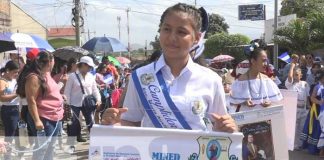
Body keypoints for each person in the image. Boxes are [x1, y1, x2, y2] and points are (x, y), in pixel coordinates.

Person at [101, 3, 237, 132]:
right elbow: (131, 122)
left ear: (197, 37)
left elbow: (220, 127)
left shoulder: (211, 80)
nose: (172, 37)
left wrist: (228, 127)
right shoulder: (139, 77)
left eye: (181, 32)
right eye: (167, 29)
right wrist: (114, 122)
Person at [16, 51, 64, 160]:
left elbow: (49, 92)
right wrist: (37, 120)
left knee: (50, 147)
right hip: (43, 118)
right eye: (54, 62)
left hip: (54, 117)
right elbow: (31, 100)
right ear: (50, 62)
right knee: (42, 148)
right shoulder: (34, 77)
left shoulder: (46, 74)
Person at [230, 39, 283, 112]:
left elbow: (276, 101)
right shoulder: (239, 81)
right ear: (253, 61)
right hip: (246, 120)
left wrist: (269, 102)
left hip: (264, 119)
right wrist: (244, 102)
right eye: (263, 61)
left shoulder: (266, 80)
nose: (266, 64)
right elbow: (232, 102)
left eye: (266, 61)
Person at [64, 56, 101, 151]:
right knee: (73, 124)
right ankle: (71, 145)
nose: (90, 69)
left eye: (91, 67)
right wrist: (67, 105)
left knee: (91, 122)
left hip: (88, 103)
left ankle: (95, 144)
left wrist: (98, 99)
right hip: (74, 104)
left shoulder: (91, 76)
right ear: (83, 65)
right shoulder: (72, 76)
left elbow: (95, 90)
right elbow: (67, 91)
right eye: (88, 66)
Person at [285, 58, 309, 150]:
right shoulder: (289, 84)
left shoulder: (305, 84)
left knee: (302, 128)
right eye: (294, 75)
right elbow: (290, 77)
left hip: (303, 110)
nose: (295, 77)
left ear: (301, 75)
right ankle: (292, 145)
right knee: (293, 128)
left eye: (297, 75)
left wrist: (309, 107)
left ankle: (300, 145)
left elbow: (307, 97)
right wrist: (292, 66)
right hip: (293, 110)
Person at [300, 68, 324, 156]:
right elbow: (312, 98)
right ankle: (316, 149)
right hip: (317, 111)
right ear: (321, 78)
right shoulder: (317, 86)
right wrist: (320, 102)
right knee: (317, 129)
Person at [0, 61, 20, 160]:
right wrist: (17, 94)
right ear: (7, 71)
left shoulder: (14, 80)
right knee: (10, 135)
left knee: (18, 134)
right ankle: (7, 157)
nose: (16, 74)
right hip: (8, 110)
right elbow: (2, 98)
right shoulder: (2, 81)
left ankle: (14, 154)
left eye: (18, 72)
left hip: (16, 109)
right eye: (15, 72)